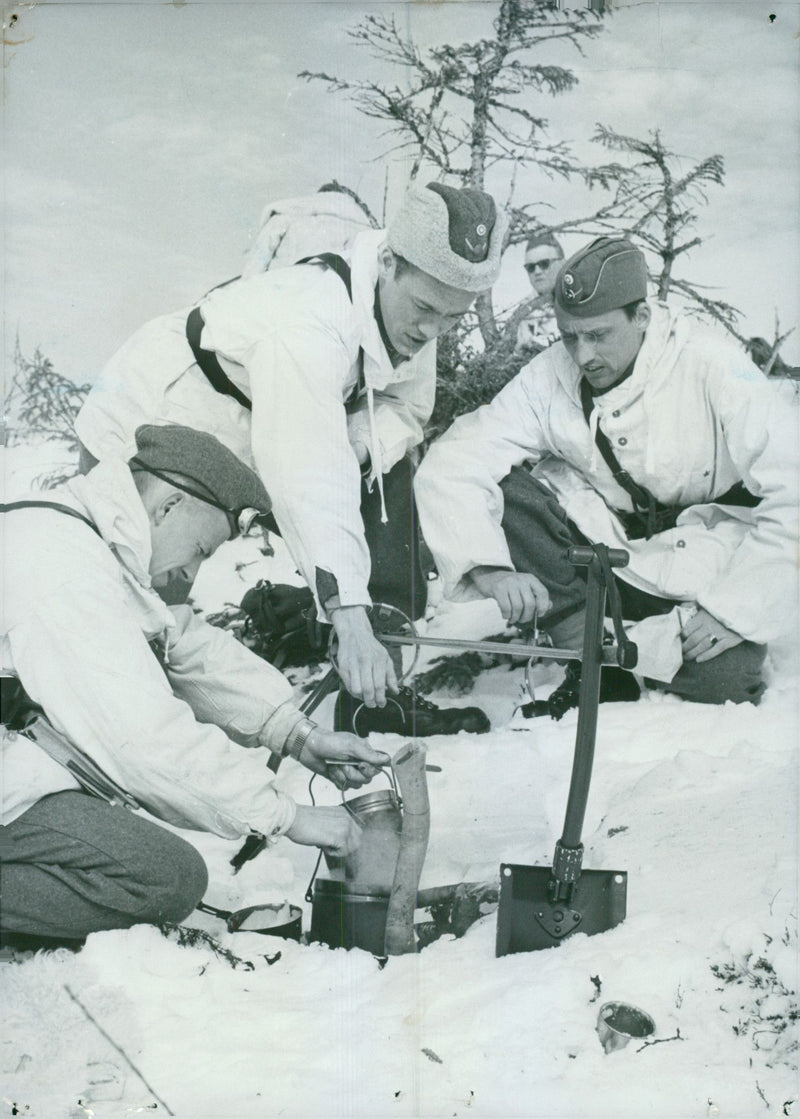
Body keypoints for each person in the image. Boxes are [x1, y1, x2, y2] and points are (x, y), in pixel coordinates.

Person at [75, 182, 507, 736]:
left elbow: (406, 409)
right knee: (148, 604)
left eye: (452, 319)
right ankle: (122, 734)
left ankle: (375, 693)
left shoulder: (418, 309)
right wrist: (348, 615)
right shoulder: (309, 321)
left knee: (387, 474)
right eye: (425, 309)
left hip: (254, 431)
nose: (431, 332)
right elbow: (309, 480)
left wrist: (355, 447)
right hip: (150, 420)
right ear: (388, 262)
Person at [0, 424, 388, 949]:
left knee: (155, 869)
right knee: (162, 879)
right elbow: (139, 737)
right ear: (169, 506)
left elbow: (178, 642)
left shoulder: (87, 538)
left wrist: (299, 735)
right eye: (202, 548)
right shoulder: (62, 565)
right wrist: (286, 816)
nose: (194, 568)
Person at [415, 236, 798, 710]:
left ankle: (629, 647)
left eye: (598, 335)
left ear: (641, 316)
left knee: (724, 680)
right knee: (508, 490)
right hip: (609, 552)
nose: (582, 356)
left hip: (713, 553)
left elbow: (794, 486)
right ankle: (588, 653)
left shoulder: (710, 361)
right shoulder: (549, 374)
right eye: (570, 336)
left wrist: (734, 611)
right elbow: (455, 459)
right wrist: (489, 569)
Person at [514, 231, 564, 357]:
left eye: (544, 264)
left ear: (563, 263)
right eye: (530, 267)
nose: (537, 271)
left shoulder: (582, 297)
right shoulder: (524, 311)